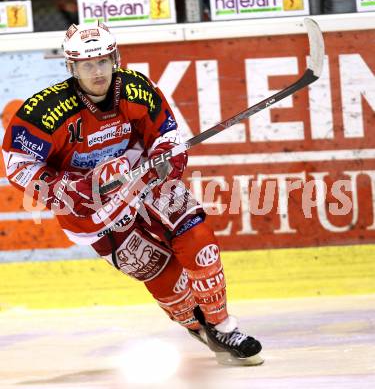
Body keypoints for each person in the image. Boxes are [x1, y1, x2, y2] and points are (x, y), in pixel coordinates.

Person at [2, 21, 263, 366]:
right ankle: (200, 327)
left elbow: (166, 135)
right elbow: (18, 164)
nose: (97, 72)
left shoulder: (137, 88)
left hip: (146, 182)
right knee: (162, 274)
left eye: (103, 62)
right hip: (92, 212)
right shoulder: (45, 111)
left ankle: (223, 324)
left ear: (116, 59)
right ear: (72, 68)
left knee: (196, 234)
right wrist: (66, 190)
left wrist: (169, 156)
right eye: (87, 65)